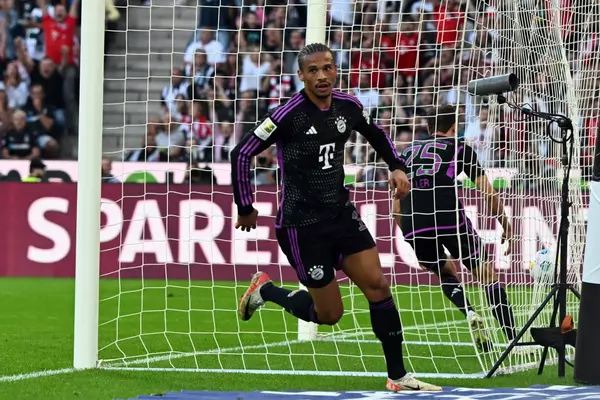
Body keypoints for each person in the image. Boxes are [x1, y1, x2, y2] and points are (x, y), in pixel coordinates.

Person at [230, 43, 441, 392]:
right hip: (301, 226)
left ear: (335, 69)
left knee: (378, 286)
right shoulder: (287, 115)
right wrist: (245, 206)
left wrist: (397, 166)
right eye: (313, 70)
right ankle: (266, 290)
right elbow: (241, 153)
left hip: (341, 215)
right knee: (329, 315)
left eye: (327, 67)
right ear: (301, 75)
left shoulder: (348, 105)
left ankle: (398, 376)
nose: (322, 76)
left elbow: (376, 133)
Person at [392, 104, 517, 352]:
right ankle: (514, 339)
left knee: (445, 271)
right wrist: (506, 224)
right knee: (486, 275)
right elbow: (488, 193)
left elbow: (396, 205)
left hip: (414, 221)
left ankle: (469, 312)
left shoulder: (406, 153)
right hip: (448, 216)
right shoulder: (460, 147)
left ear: (428, 127)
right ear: (454, 127)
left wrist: (411, 239)